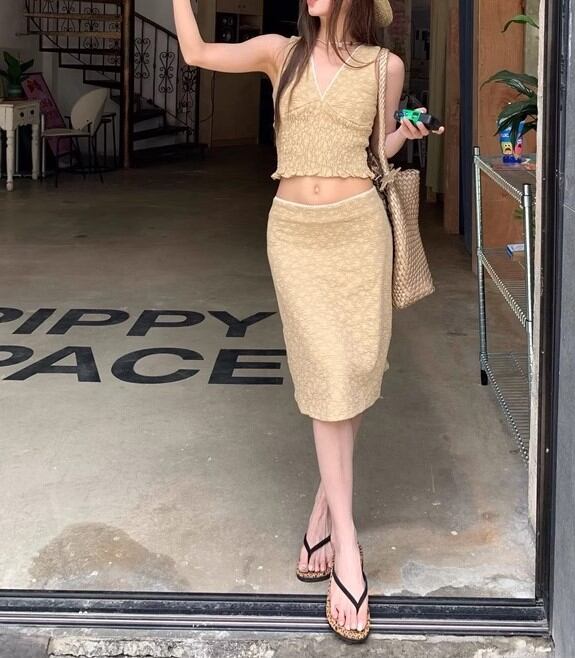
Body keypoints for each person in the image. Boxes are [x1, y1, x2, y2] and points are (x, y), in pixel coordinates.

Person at [173, 0, 444, 642]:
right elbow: (196, 53)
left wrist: (405, 134)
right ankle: (347, 548)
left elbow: (374, 153)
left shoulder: (384, 66)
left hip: (360, 231)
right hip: (295, 235)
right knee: (325, 375)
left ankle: (325, 506)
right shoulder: (281, 53)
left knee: (354, 369)